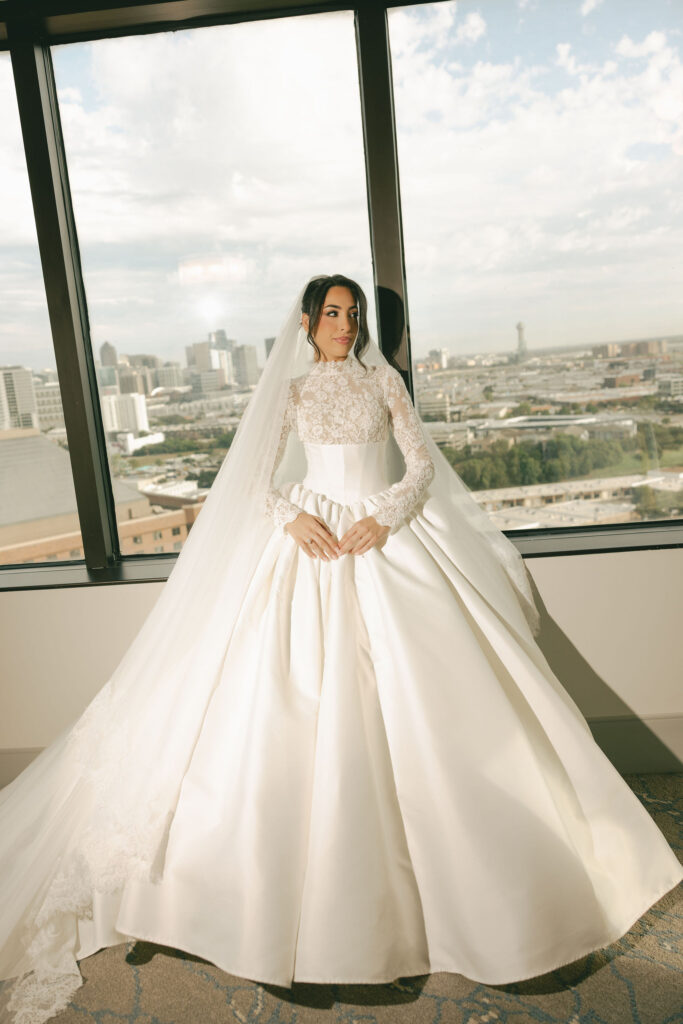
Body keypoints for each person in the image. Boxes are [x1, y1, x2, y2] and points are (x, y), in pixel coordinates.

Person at [0, 273, 681, 1024]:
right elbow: (252, 481)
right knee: (277, 713)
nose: (344, 325)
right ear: (306, 320)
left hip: (381, 539)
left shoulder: (384, 386)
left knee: (434, 708)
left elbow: (418, 467)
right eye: (332, 313)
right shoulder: (289, 396)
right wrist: (292, 518)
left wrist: (384, 515)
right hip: (312, 542)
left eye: (352, 315)